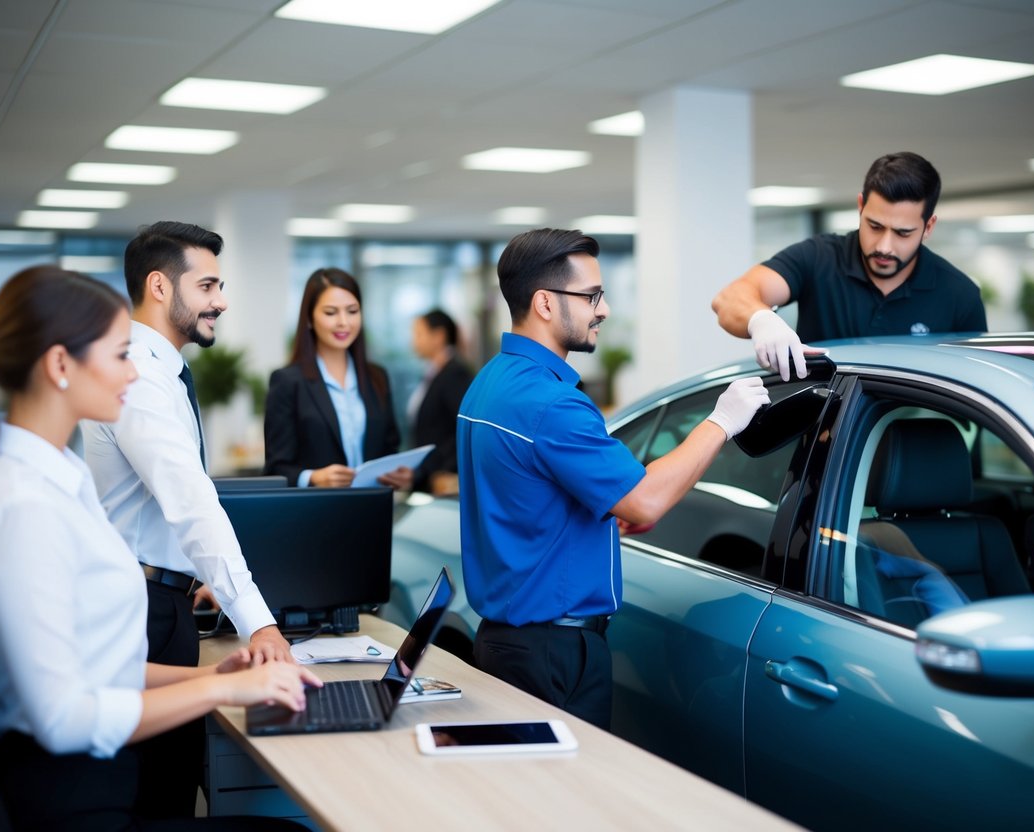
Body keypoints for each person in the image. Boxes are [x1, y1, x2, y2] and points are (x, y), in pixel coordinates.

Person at [0, 266, 320, 832]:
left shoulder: (59, 476)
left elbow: (99, 670)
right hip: (73, 807)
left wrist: (219, 681)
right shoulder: (20, 506)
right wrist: (224, 687)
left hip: (96, 788)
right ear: (60, 365)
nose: (134, 371)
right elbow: (63, 716)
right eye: (121, 354)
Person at [457, 228, 770, 729]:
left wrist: (598, 523)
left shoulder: (490, 382)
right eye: (591, 296)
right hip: (555, 653)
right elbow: (644, 501)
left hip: (510, 641)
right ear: (543, 303)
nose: (602, 309)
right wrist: (722, 421)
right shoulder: (554, 404)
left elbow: (522, 500)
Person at [80, 221, 293, 819]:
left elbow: (166, 505)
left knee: (170, 788)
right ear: (158, 286)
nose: (220, 300)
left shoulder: (162, 373)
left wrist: (193, 572)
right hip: (142, 608)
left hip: (164, 598)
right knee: (158, 798)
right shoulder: (140, 377)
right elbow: (190, 500)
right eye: (207, 285)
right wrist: (260, 625)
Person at [712, 151, 987, 381]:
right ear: (860, 207)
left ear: (928, 227)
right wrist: (761, 320)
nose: (884, 246)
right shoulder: (818, 257)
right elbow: (729, 299)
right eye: (874, 226)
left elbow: (981, 385)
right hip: (823, 440)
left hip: (921, 439)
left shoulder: (959, 295)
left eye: (903, 233)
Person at [264, 267, 408, 489]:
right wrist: (313, 478)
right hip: (316, 514)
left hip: (373, 511)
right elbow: (276, 468)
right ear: (310, 319)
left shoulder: (377, 377)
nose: (344, 322)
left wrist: (400, 475)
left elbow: (389, 449)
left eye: (352, 311)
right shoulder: (287, 382)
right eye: (331, 313)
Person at [407, 309, 473, 494]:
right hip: (428, 477)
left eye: (418, 334)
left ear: (438, 336)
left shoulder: (454, 375)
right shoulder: (434, 372)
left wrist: (447, 469)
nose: (413, 341)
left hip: (444, 480)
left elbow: (464, 426)